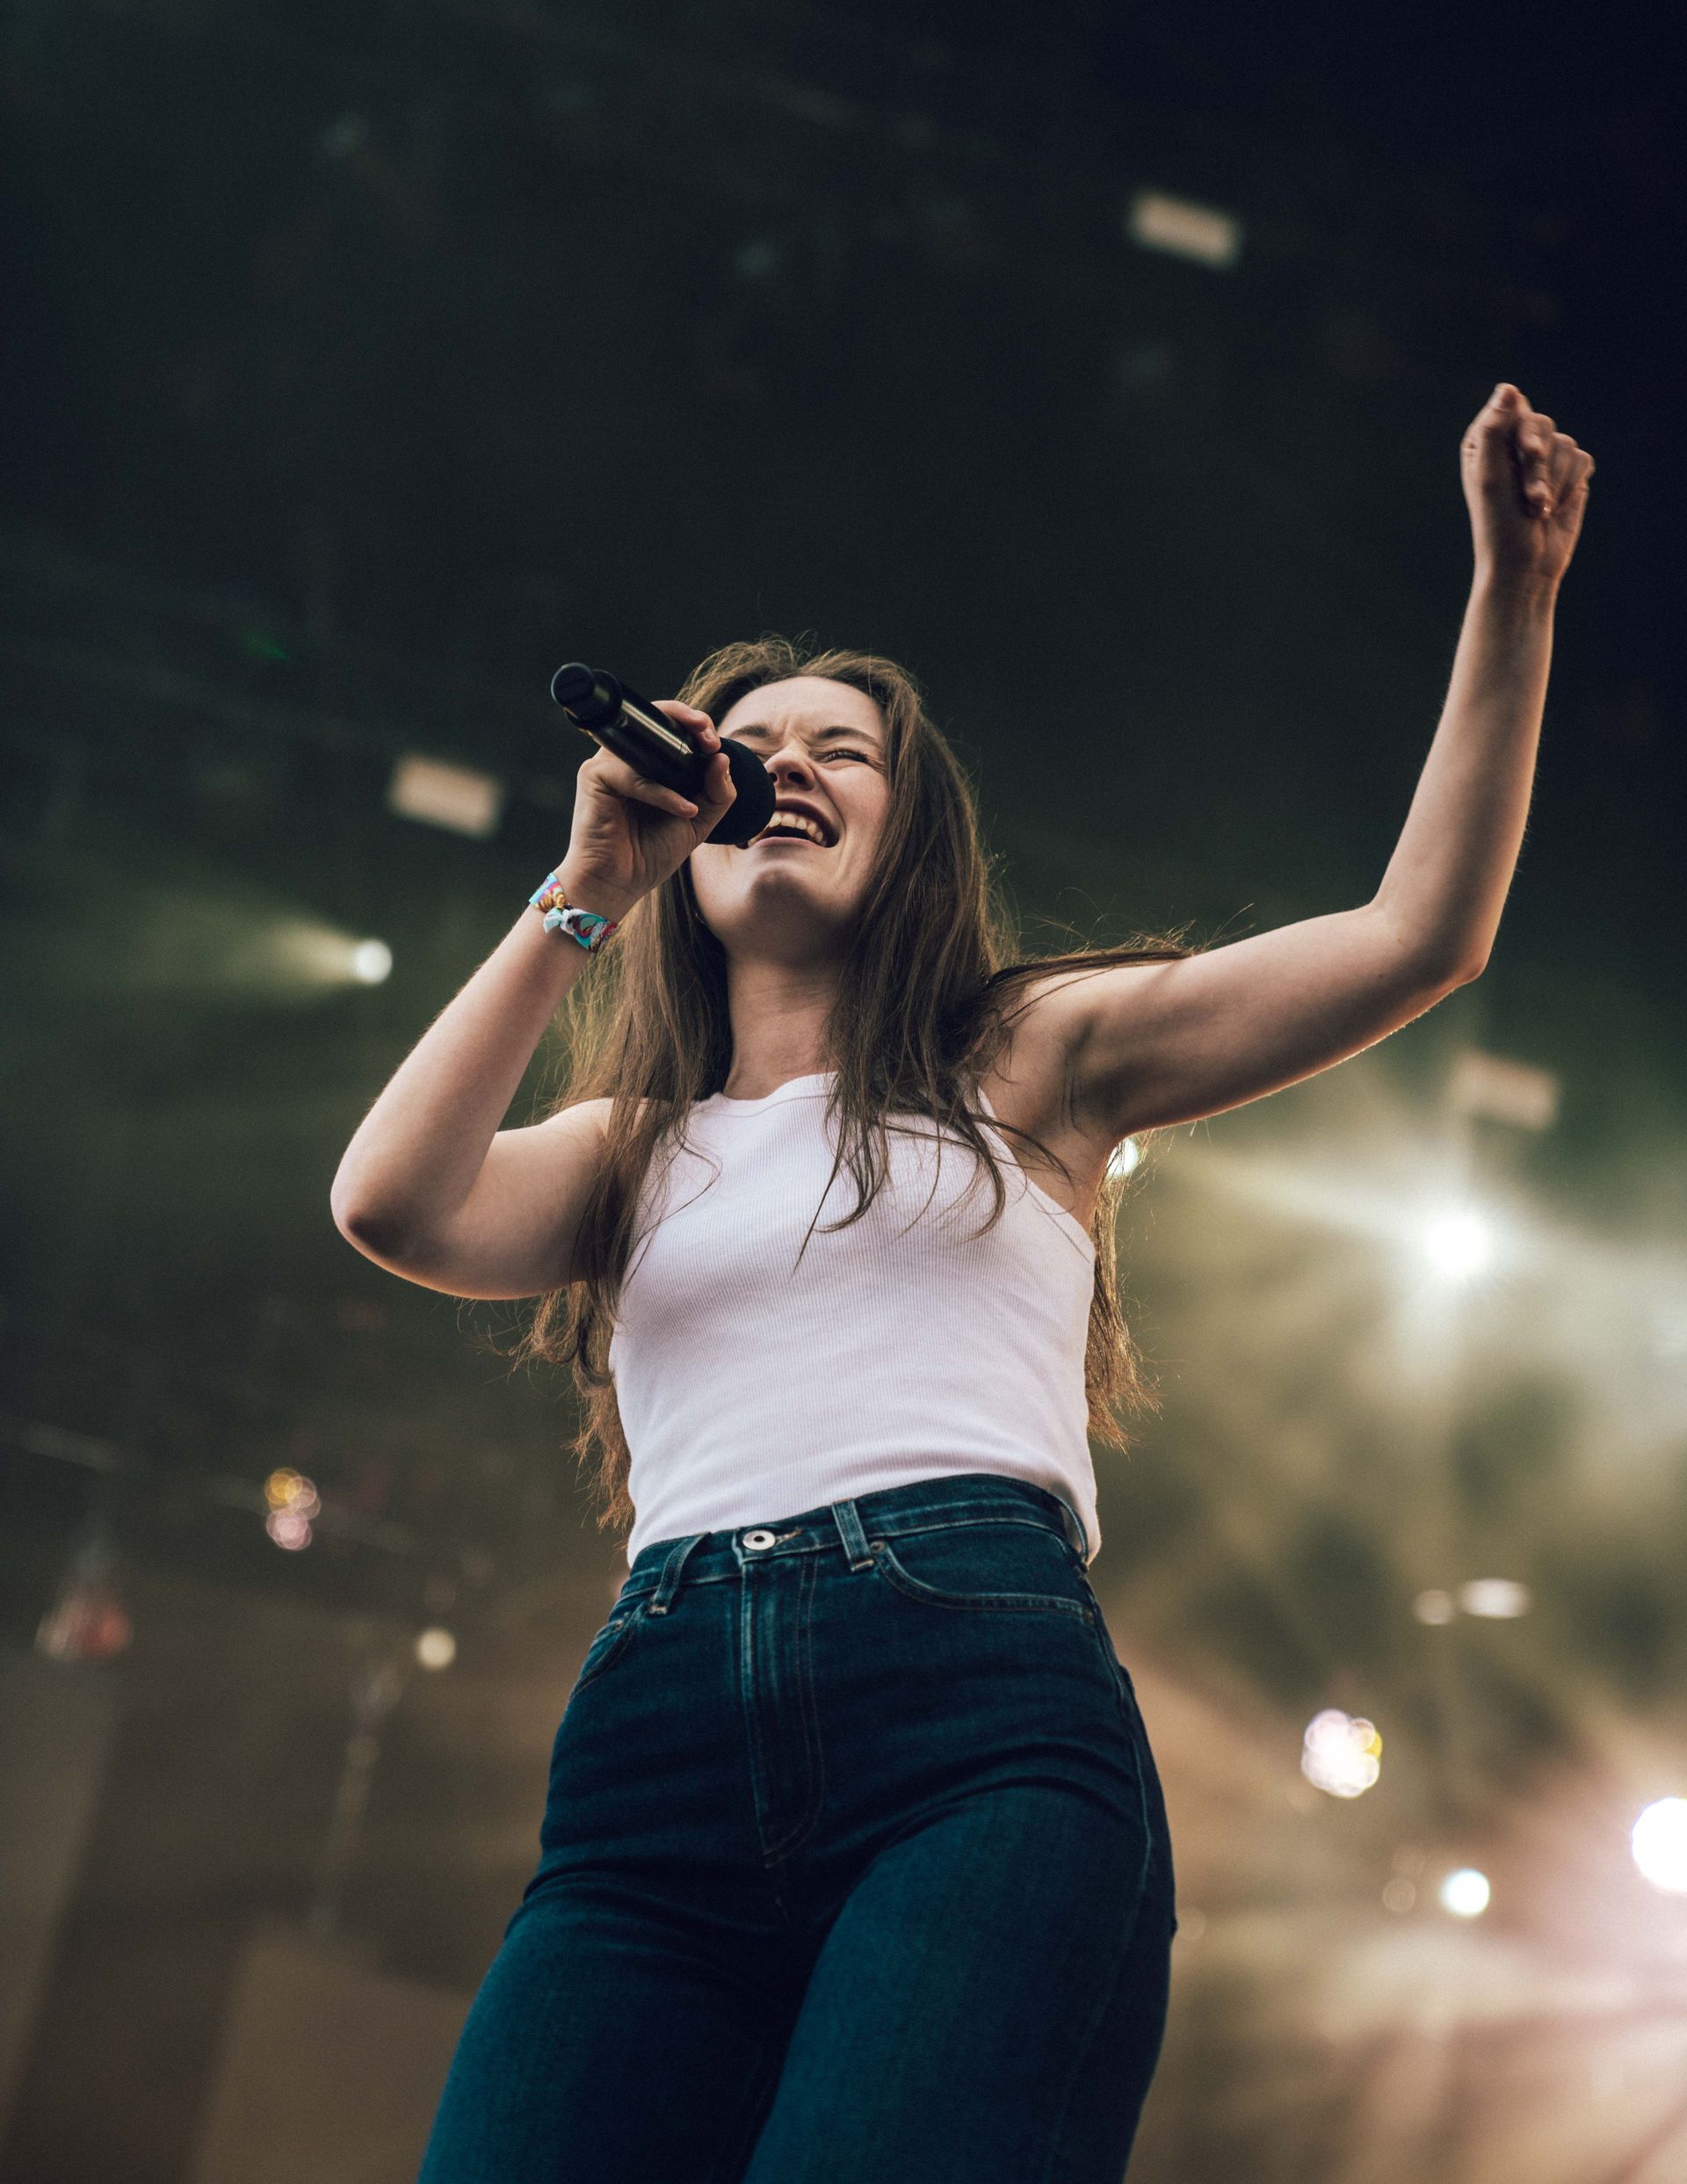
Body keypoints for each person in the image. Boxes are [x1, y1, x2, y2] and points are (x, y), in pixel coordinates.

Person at [330, 382, 1591, 2181]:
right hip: (653, 1757)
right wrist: (587, 881)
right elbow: (390, 1200)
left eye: (844, 749)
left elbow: (1419, 935)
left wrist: (1515, 593)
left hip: (971, 1727)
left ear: (912, 831)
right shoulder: (632, 1143)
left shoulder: (1029, 1057)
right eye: (752, 741)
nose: (788, 767)